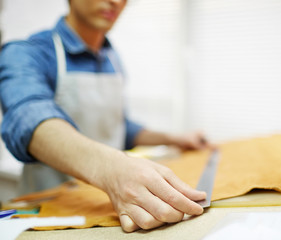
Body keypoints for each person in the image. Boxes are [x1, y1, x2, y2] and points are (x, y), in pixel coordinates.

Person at [0, 0, 212, 232]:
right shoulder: (26, 53)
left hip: (109, 208)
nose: (116, 1)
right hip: (49, 212)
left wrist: (173, 138)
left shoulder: (112, 58)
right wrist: (112, 170)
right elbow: (27, 118)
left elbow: (118, 125)